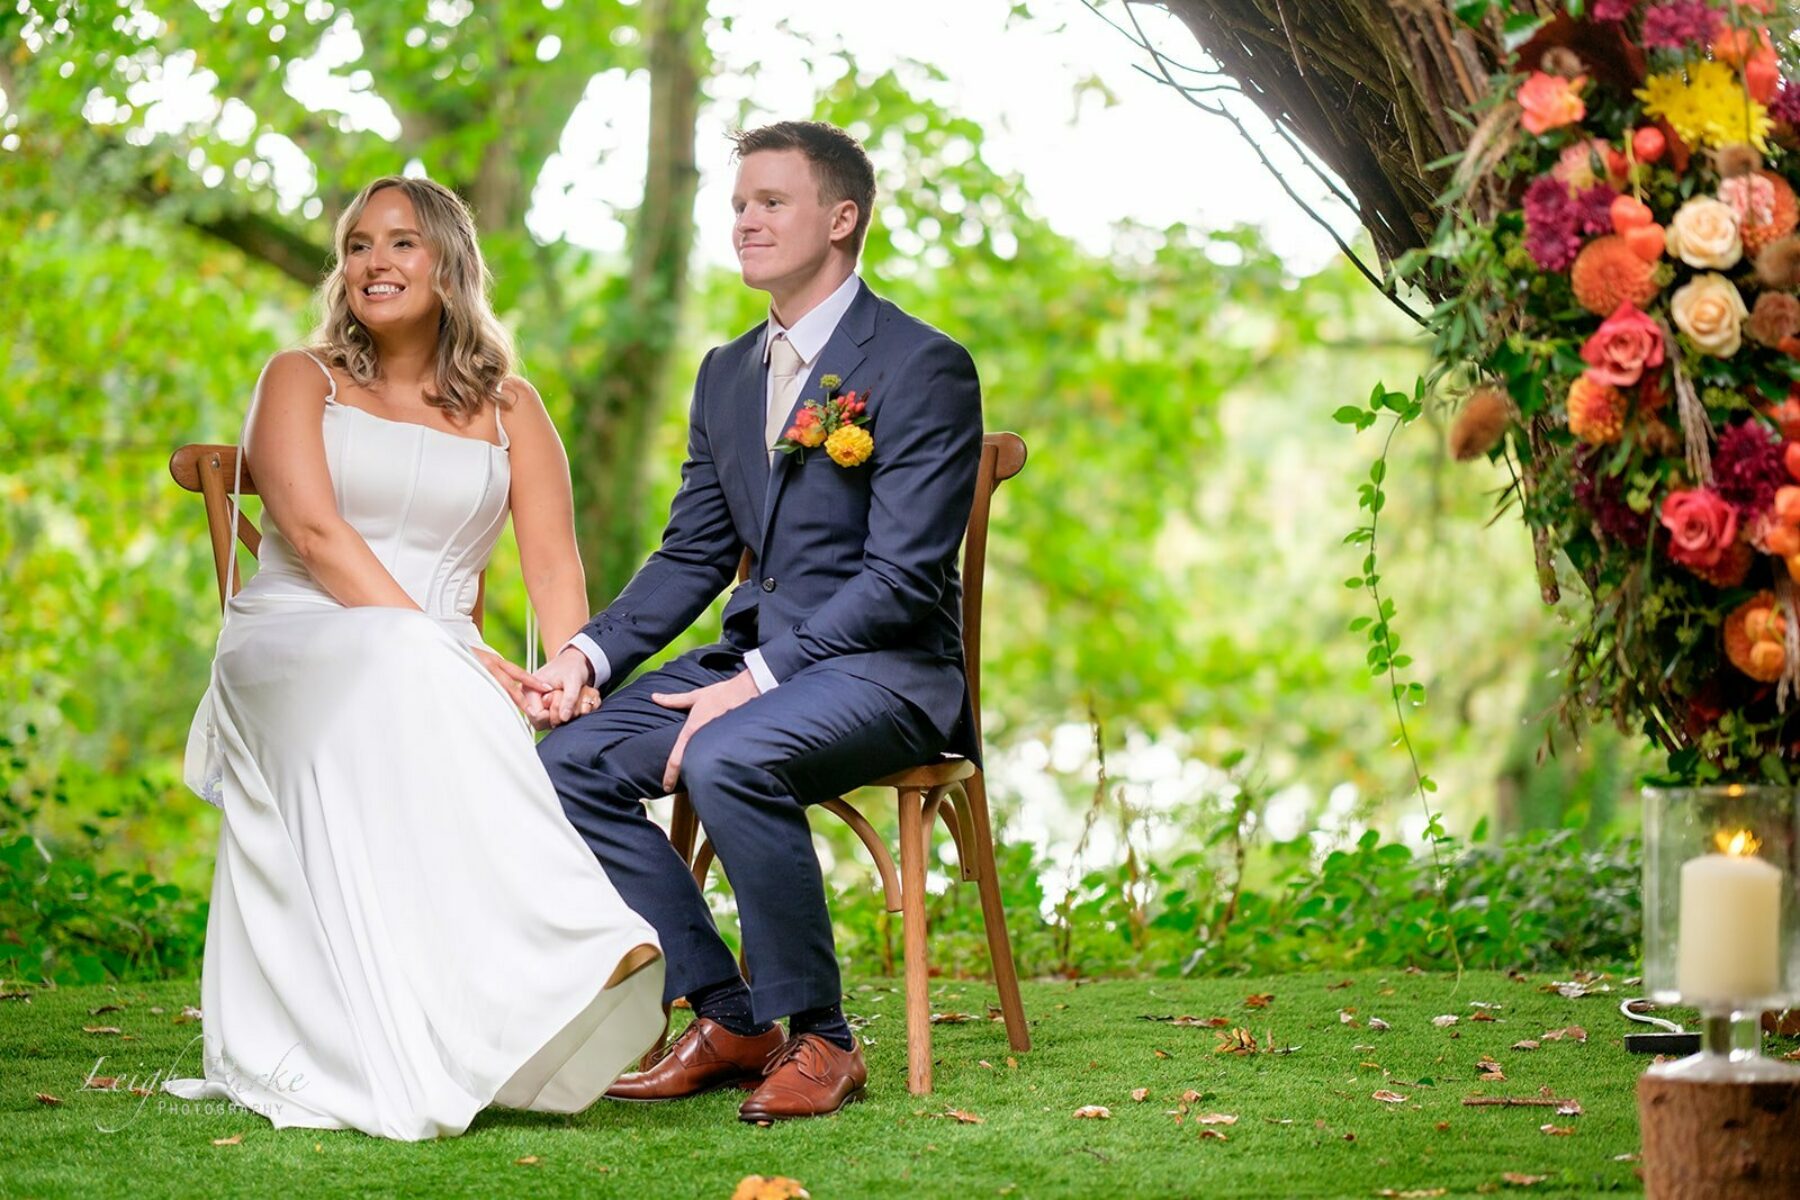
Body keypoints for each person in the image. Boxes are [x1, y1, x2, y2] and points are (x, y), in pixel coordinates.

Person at [164, 175, 665, 1140]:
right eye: (357, 245)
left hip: (434, 657)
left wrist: (568, 672)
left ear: (449, 264)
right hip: (293, 638)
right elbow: (314, 534)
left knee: (428, 674)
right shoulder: (300, 378)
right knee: (414, 659)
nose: (373, 263)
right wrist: (453, 650)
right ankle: (578, 941)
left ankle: (508, 1005)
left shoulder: (512, 408)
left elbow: (553, 563)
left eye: (400, 242)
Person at [532, 121, 984, 1122]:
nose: (745, 220)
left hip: (889, 673)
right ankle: (728, 1014)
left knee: (728, 749)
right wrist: (585, 656)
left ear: (842, 217)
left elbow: (904, 579)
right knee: (566, 762)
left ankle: (823, 1038)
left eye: (771, 202)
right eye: (739, 204)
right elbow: (692, 555)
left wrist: (757, 682)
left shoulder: (924, 365)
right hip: (754, 664)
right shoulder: (725, 373)